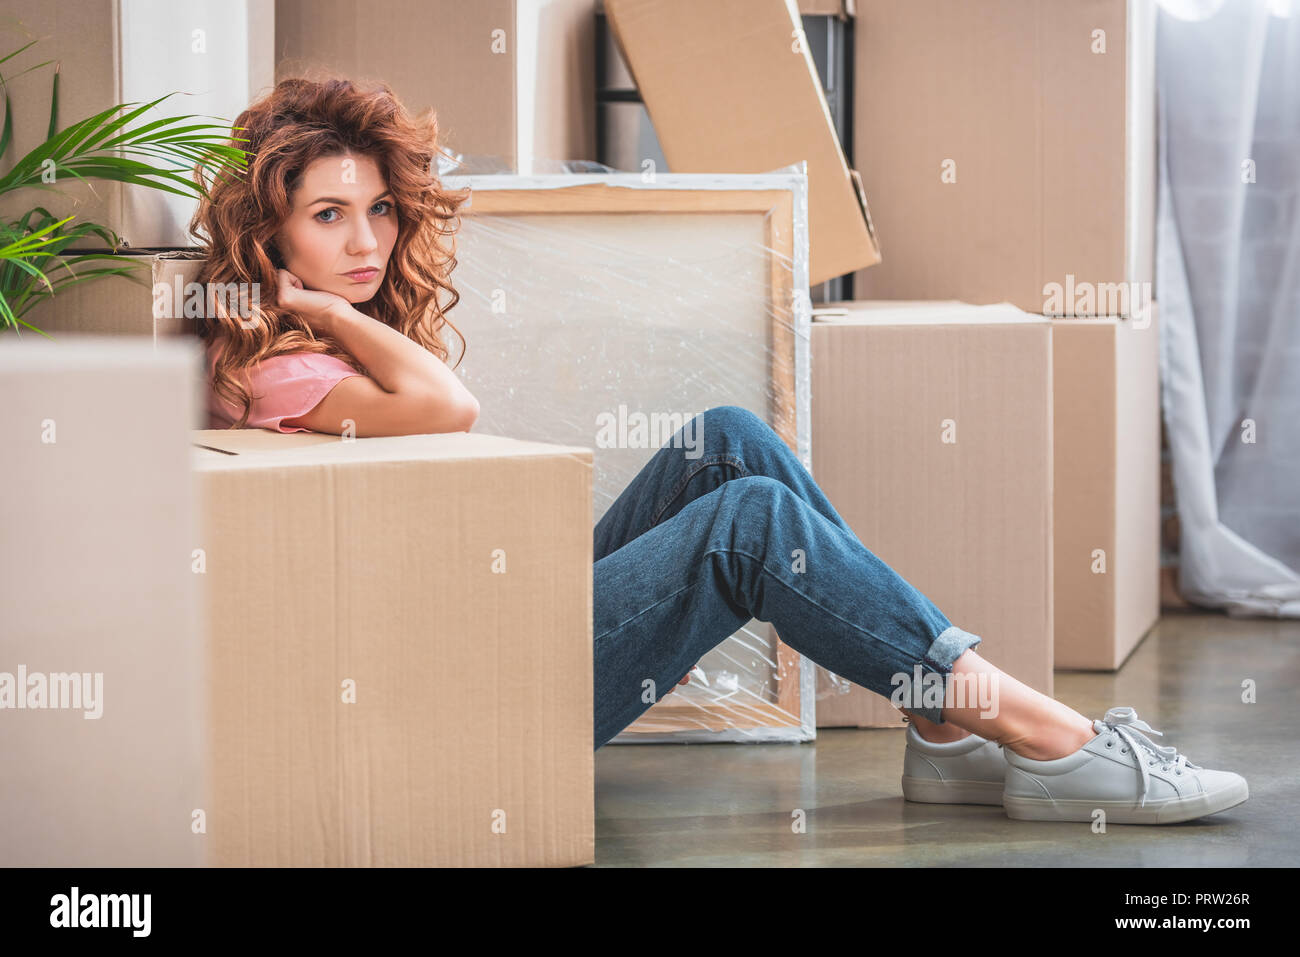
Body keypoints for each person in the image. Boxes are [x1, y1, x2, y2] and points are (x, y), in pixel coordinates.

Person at [193, 76, 1248, 826]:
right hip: (462, 703)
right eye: (327, 217)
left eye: (378, 209)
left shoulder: (304, 347)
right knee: (750, 526)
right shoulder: (284, 369)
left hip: (480, 632)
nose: (367, 241)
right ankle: (1032, 731)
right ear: (269, 238)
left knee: (724, 444)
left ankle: (941, 731)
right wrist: (314, 310)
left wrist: (321, 306)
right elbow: (448, 405)